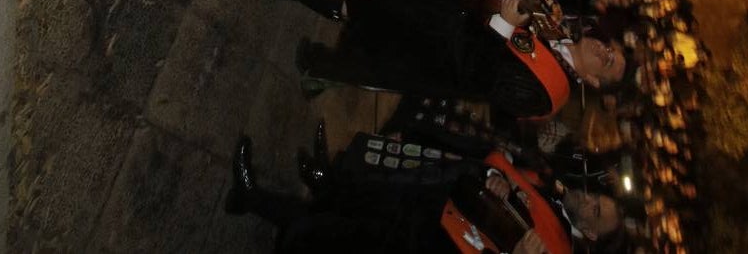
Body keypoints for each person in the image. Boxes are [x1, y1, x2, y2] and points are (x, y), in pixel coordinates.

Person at [270, 0, 628, 120]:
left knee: (369, 60)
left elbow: (485, 79)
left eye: (607, 62)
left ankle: (303, 9)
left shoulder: (550, 94)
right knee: (374, 11)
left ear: (593, 81)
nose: (603, 49)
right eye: (610, 48)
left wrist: (502, 24)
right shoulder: (560, 28)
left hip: (439, 63)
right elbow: (511, 7)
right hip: (446, 25)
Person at [226, 130, 623, 252]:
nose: (589, 200)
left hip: (440, 244)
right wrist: (495, 185)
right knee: (351, 216)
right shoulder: (555, 187)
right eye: (597, 198)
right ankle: (280, 195)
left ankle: (253, 199)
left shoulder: (557, 247)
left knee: (335, 239)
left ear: (589, 234)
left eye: (597, 212)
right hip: (440, 212)